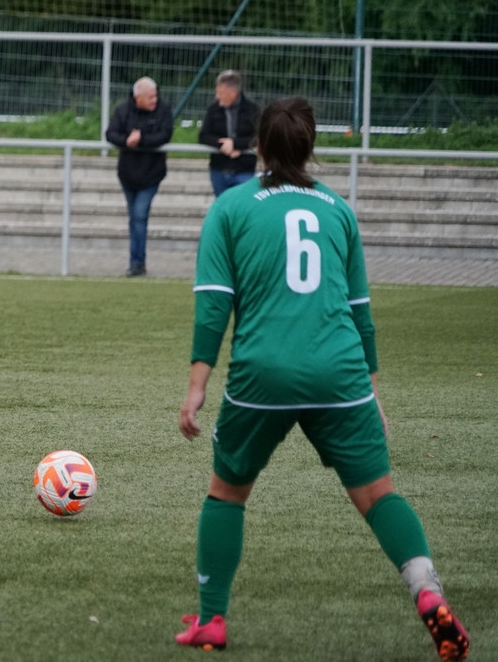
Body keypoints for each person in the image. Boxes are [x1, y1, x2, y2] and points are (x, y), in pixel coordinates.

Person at [175, 98, 469, 661]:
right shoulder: (338, 210)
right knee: (378, 495)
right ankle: (427, 590)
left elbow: (214, 306)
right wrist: (372, 393)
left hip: (263, 374)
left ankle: (212, 621)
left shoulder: (231, 207)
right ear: (311, 148)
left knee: (227, 493)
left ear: (259, 147)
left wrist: (197, 385)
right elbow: (360, 310)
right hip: (341, 373)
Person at [105, 76, 173, 277]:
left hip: (151, 174)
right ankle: (136, 261)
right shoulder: (122, 110)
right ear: (138, 98)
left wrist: (141, 140)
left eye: (155, 96)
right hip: (128, 175)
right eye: (150, 97)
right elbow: (110, 134)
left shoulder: (164, 109)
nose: (155, 100)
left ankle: (137, 263)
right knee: (134, 217)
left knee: (139, 216)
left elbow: (165, 135)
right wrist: (127, 141)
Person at [198, 69, 260, 197]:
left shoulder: (252, 110)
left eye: (220, 93)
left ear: (233, 92)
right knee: (223, 210)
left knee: (241, 208)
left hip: (244, 169)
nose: (217, 96)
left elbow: (259, 137)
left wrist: (236, 144)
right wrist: (222, 145)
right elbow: (203, 136)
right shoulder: (213, 109)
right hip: (218, 169)